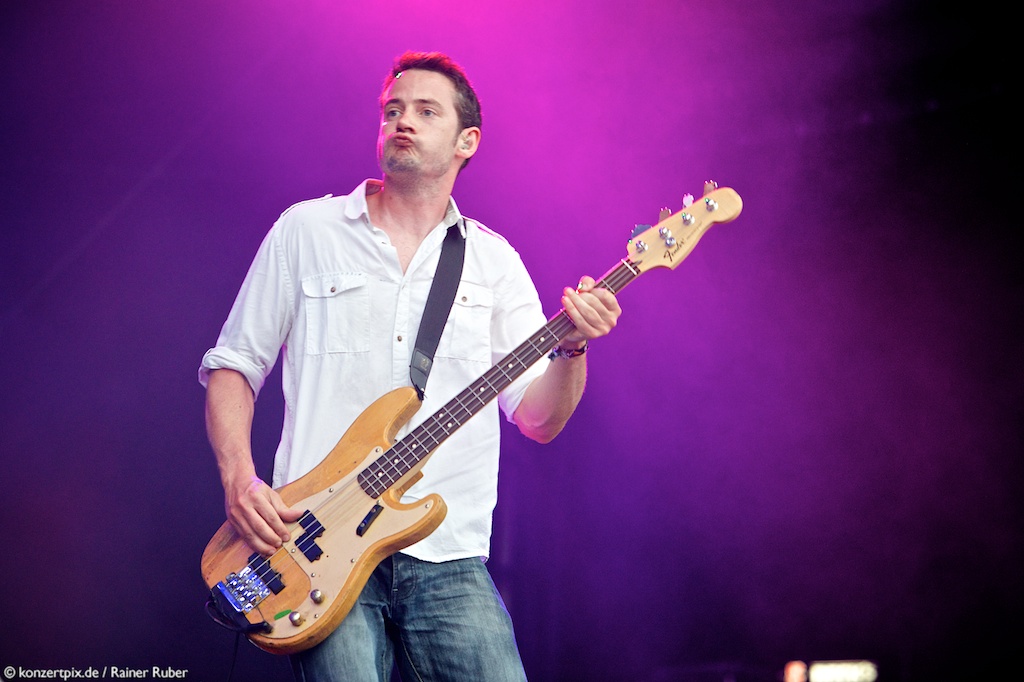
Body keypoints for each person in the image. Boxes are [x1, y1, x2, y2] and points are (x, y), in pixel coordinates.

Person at [199, 51, 621, 681]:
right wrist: (240, 479)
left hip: (448, 559)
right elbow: (234, 365)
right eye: (392, 110)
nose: (403, 121)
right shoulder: (306, 232)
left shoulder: (495, 263)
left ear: (466, 141)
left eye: (426, 112)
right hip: (312, 543)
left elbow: (538, 419)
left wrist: (573, 348)